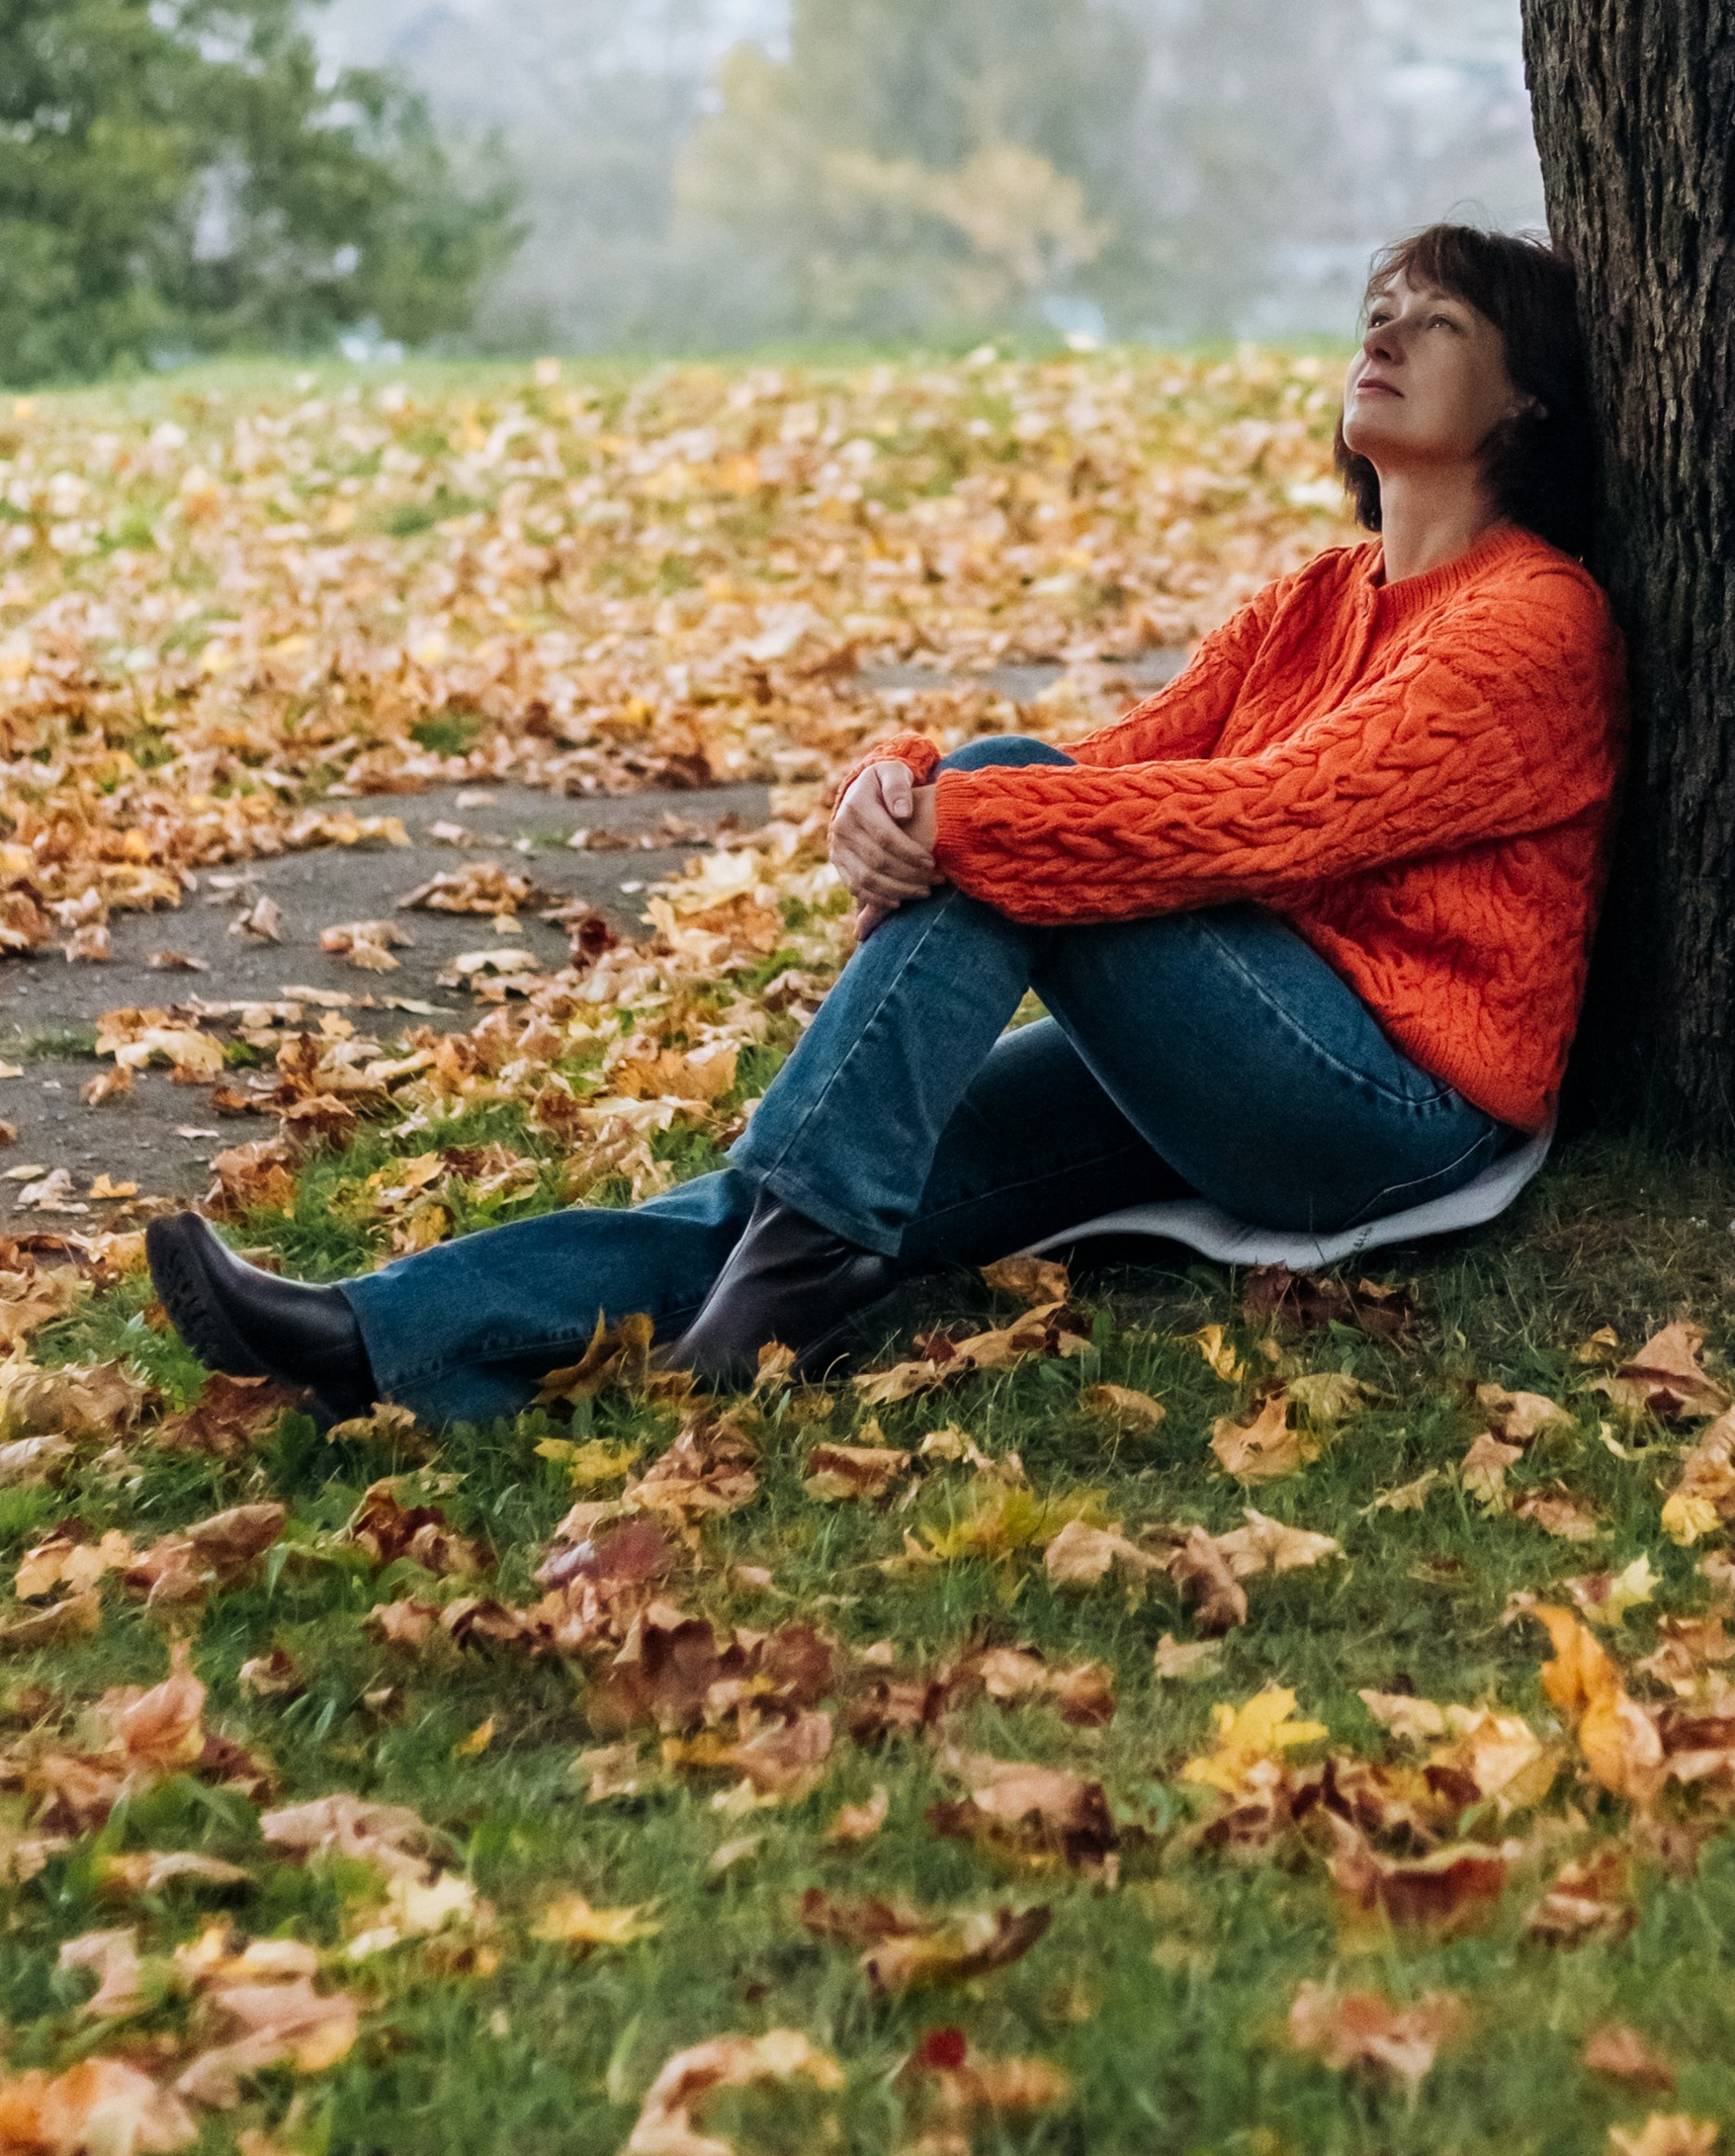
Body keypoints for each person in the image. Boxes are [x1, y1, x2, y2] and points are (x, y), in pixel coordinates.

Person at [144, 225, 1627, 1424]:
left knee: (1011, 804)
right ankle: (377, 1337)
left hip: (1391, 1113)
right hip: (1228, 1048)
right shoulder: (1315, 597)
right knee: (843, 1154)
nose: (1379, 335)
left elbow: (1275, 821)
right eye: (1374, 309)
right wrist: (905, 787)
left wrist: (961, 813)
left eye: (1432, 322)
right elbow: (1120, 764)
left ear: (1525, 401)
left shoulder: (1535, 621)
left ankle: (788, 1276)